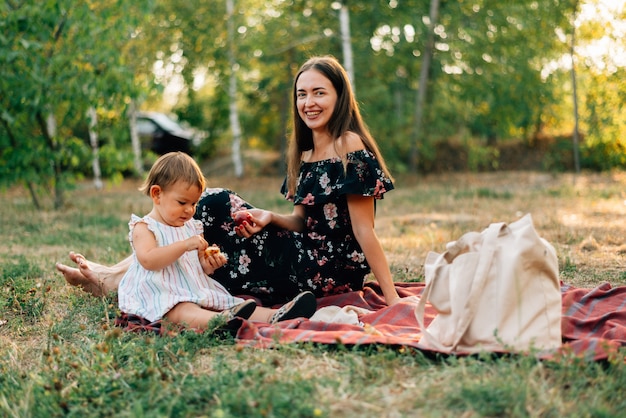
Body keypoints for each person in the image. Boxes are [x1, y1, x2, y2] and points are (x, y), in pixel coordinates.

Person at [56, 55, 403, 307]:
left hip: (328, 270)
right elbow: (300, 222)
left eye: (319, 93)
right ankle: (115, 275)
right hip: (298, 253)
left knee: (213, 210)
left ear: (340, 96)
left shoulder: (349, 146)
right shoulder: (306, 153)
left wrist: (391, 298)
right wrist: (268, 216)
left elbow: (364, 231)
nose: (308, 103)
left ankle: (112, 279)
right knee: (216, 221)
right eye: (301, 94)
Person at [115, 151, 316, 330]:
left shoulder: (191, 227)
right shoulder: (145, 227)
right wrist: (185, 245)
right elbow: (149, 260)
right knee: (180, 310)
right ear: (157, 194)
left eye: (194, 203)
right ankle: (218, 322)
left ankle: (274, 315)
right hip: (160, 291)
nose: (189, 210)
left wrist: (208, 264)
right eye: (182, 202)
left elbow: (195, 266)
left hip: (192, 286)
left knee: (227, 301)